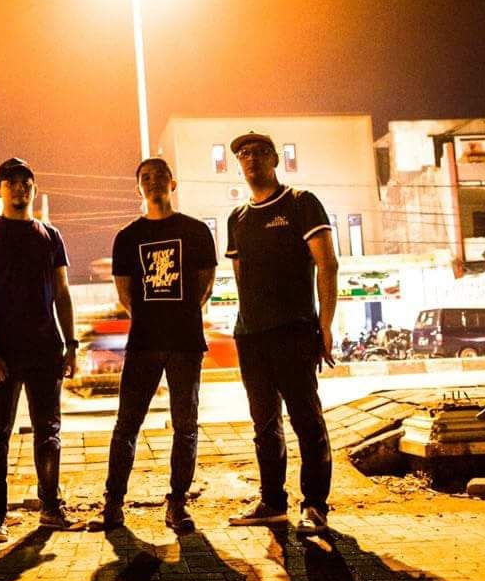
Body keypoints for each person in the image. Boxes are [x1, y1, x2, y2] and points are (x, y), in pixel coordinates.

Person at [225, 132, 338, 536]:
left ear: (275, 159)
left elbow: (328, 264)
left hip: (294, 330)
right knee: (264, 423)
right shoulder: (237, 218)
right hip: (251, 336)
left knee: (306, 419)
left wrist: (325, 325)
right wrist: (245, 326)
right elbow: (240, 277)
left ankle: (315, 505)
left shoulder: (301, 203)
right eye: (243, 153)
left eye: (259, 152)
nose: (250, 158)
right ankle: (273, 502)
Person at [0, 157, 81, 543]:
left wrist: (71, 344)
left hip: (45, 349)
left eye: (26, 182)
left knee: (48, 432)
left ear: (34, 188)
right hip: (2, 352)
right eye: (11, 182)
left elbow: (62, 292)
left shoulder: (49, 235)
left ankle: (51, 508)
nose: (19, 188)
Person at [102, 156, 217, 534]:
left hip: (186, 343)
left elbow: (205, 285)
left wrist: (180, 314)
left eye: (160, 175)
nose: (153, 181)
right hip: (144, 343)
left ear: (173, 183)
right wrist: (152, 318)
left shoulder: (196, 231)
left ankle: (177, 503)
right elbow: (125, 295)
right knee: (127, 424)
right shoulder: (127, 238)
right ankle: (113, 502)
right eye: (146, 177)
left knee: (185, 426)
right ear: (138, 187)